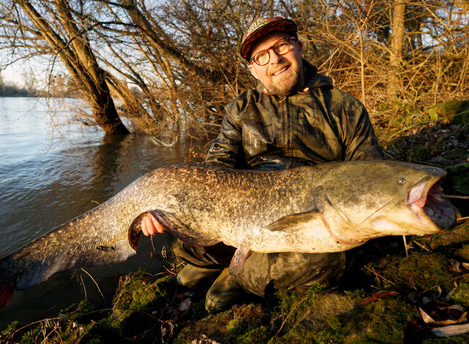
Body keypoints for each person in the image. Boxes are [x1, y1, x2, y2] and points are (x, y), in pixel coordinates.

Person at [141, 16, 384, 312]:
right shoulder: (241, 109)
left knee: (329, 257)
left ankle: (237, 273)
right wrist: (165, 208)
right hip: (242, 213)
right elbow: (217, 165)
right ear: (254, 69)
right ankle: (230, 260)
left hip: (306, 219)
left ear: (299, 47)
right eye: (262, 56)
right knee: (179, 233)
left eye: (282, 46)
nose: (275, 60)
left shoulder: (345, 107)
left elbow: (369, 170)